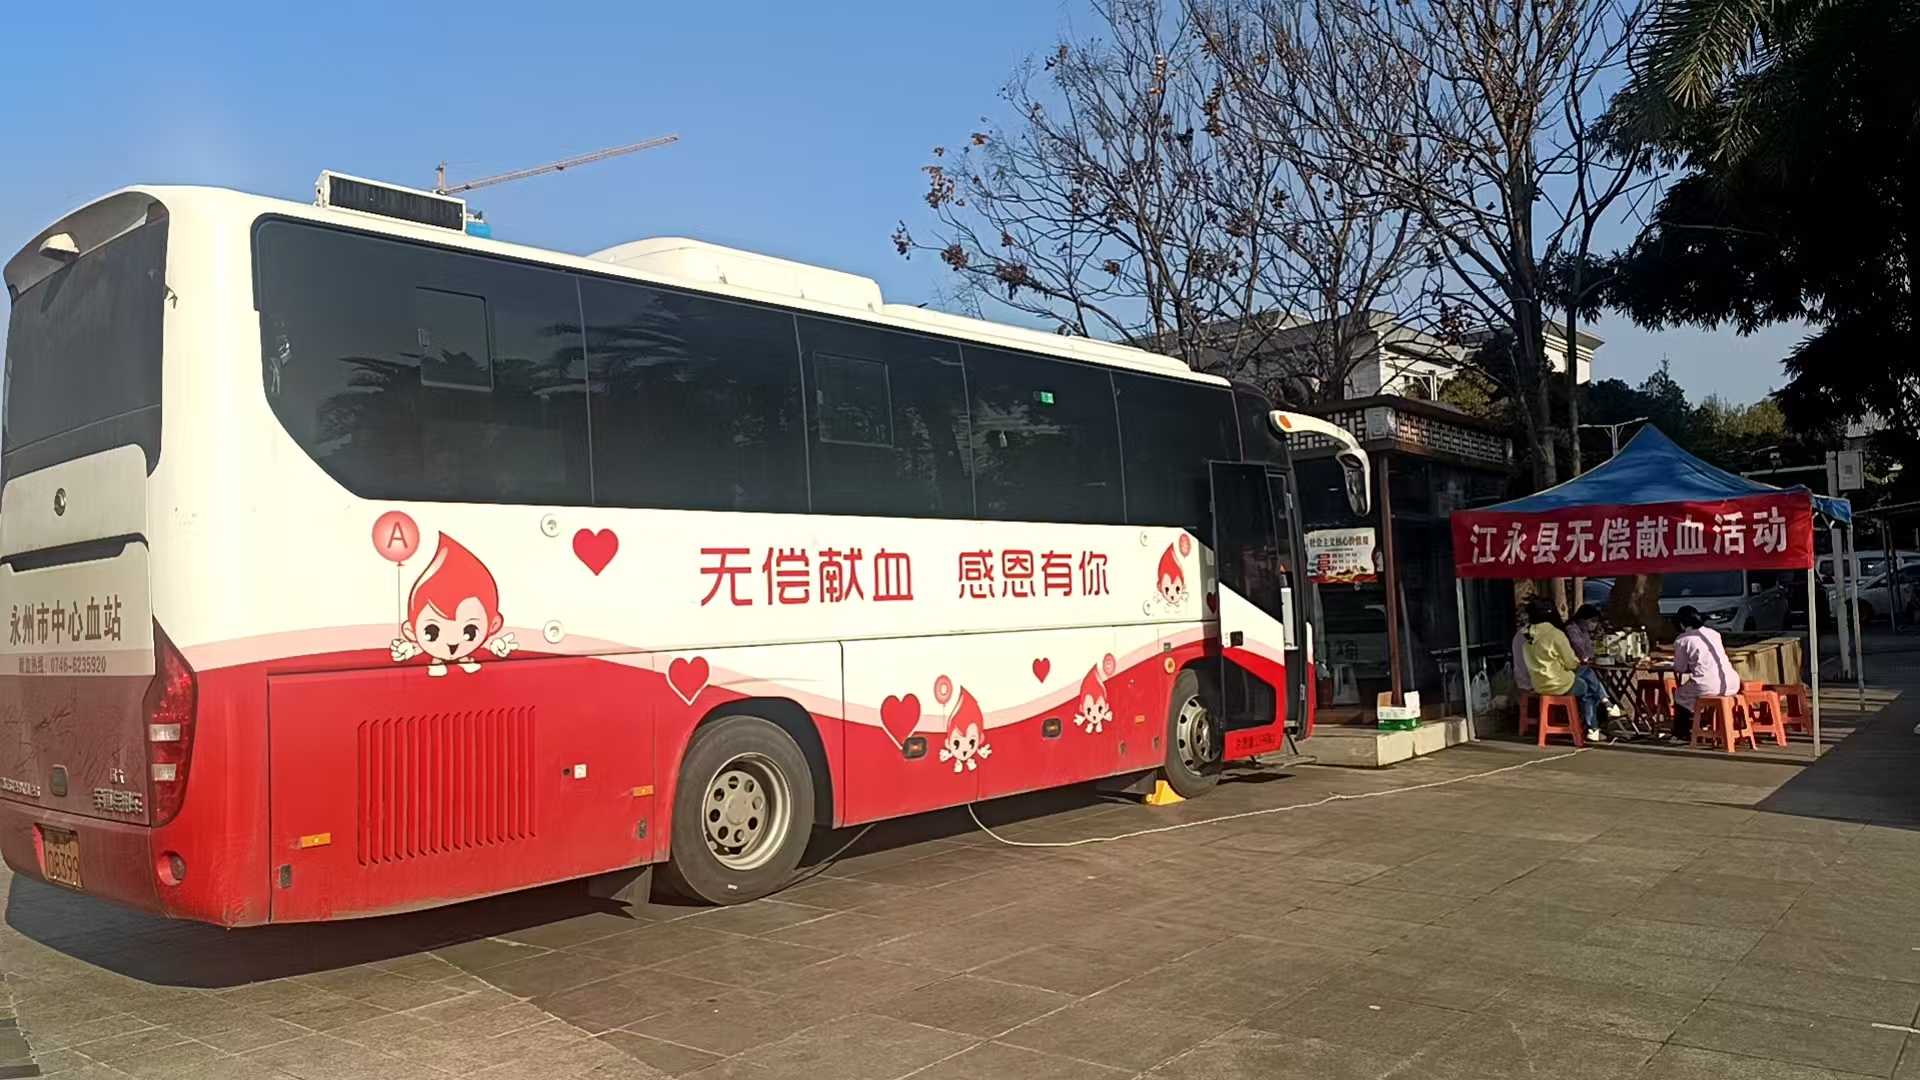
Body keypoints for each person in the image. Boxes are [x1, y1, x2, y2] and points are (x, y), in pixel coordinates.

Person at [1519, 599, 1608, 743]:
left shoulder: (1527, 635)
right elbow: (1571, 662)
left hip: (1539, 684)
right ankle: (1596, 723)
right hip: (1560, 684)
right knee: (1586, 687)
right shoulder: (1556, 634)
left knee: (1586, 679)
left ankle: (1603, 707)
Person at [1670, 605, 1741, 741]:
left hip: (1707, 684)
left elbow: (1680, 668)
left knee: (1680, 695)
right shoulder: (1714, 634)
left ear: (1681, 623)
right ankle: (1706, 724)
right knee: (1697, 695)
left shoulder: (1683, 640)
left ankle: (1681, 732)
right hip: (1732, 682)